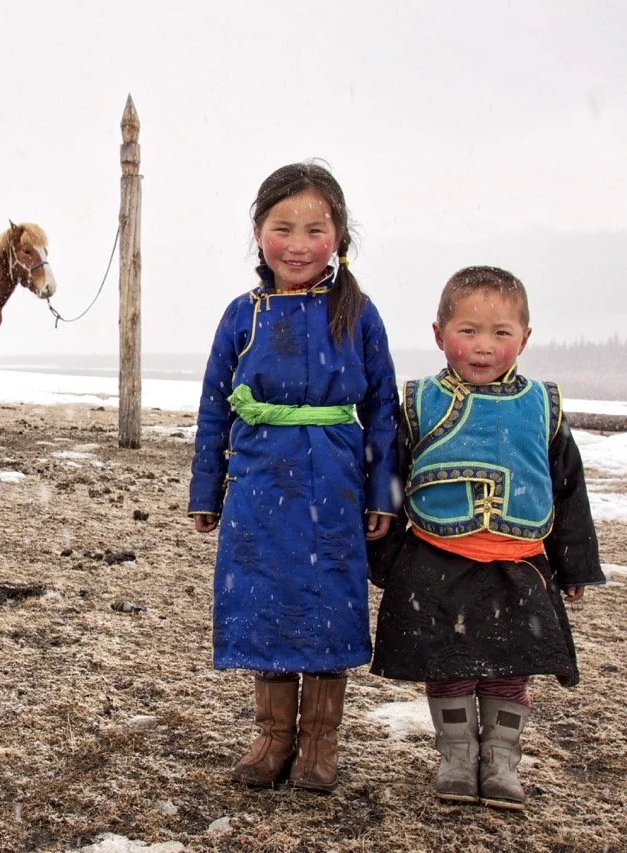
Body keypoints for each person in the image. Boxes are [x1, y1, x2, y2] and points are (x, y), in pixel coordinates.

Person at [188, 160, 399, 791]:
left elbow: (383, 410)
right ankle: (273, 737)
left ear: (339, 237)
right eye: (283, 228)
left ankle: (318, 744)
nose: (298, 245)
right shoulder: (241, 315)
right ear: (258, 233)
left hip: (336, 483)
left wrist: (383, 493)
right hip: (259, 485)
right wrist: (206, 490)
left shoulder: (358, 314)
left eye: (315, 230)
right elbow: (213, 407)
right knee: (267, 604)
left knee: (329, 607)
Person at [368, 265, 605, 810]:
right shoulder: (419, 402)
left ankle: (500, 762)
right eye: (468, 330)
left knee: (509, 666)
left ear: (525, 337)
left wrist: (574, 564)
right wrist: (386, 559)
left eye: (501, 333)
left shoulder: (543, 405)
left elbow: (567, 487)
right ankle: (456, 757)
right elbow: (390, 480)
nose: (483, 346)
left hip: (518, 564)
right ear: (438, 334)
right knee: (448, 664)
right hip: (437, 560)